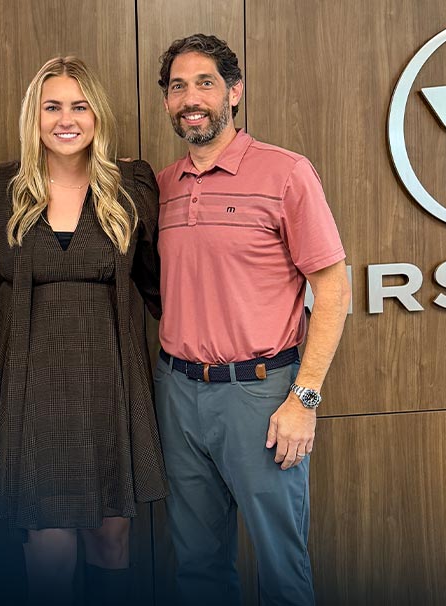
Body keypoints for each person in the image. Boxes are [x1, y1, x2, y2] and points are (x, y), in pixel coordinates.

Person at [153, 34, 351, 606]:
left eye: (205, 83)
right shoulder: (160, 187)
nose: (191, 98)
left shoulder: (286, 173)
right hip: (178, 394)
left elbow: (332, 288)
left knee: (282, 571)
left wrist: (305, 399)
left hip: (263, 398)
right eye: (178, 87)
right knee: (196, 567)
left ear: (234, 93)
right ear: (168, 101)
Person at [0, 56, 168, 605]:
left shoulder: (130, 185)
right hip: (32, 385)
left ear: (97, 115)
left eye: (79, 106)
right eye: (52, 105)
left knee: (111, 538)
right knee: (49, 546)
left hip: (110, 382)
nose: (66, 119)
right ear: (33, 115)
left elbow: (160, 286)